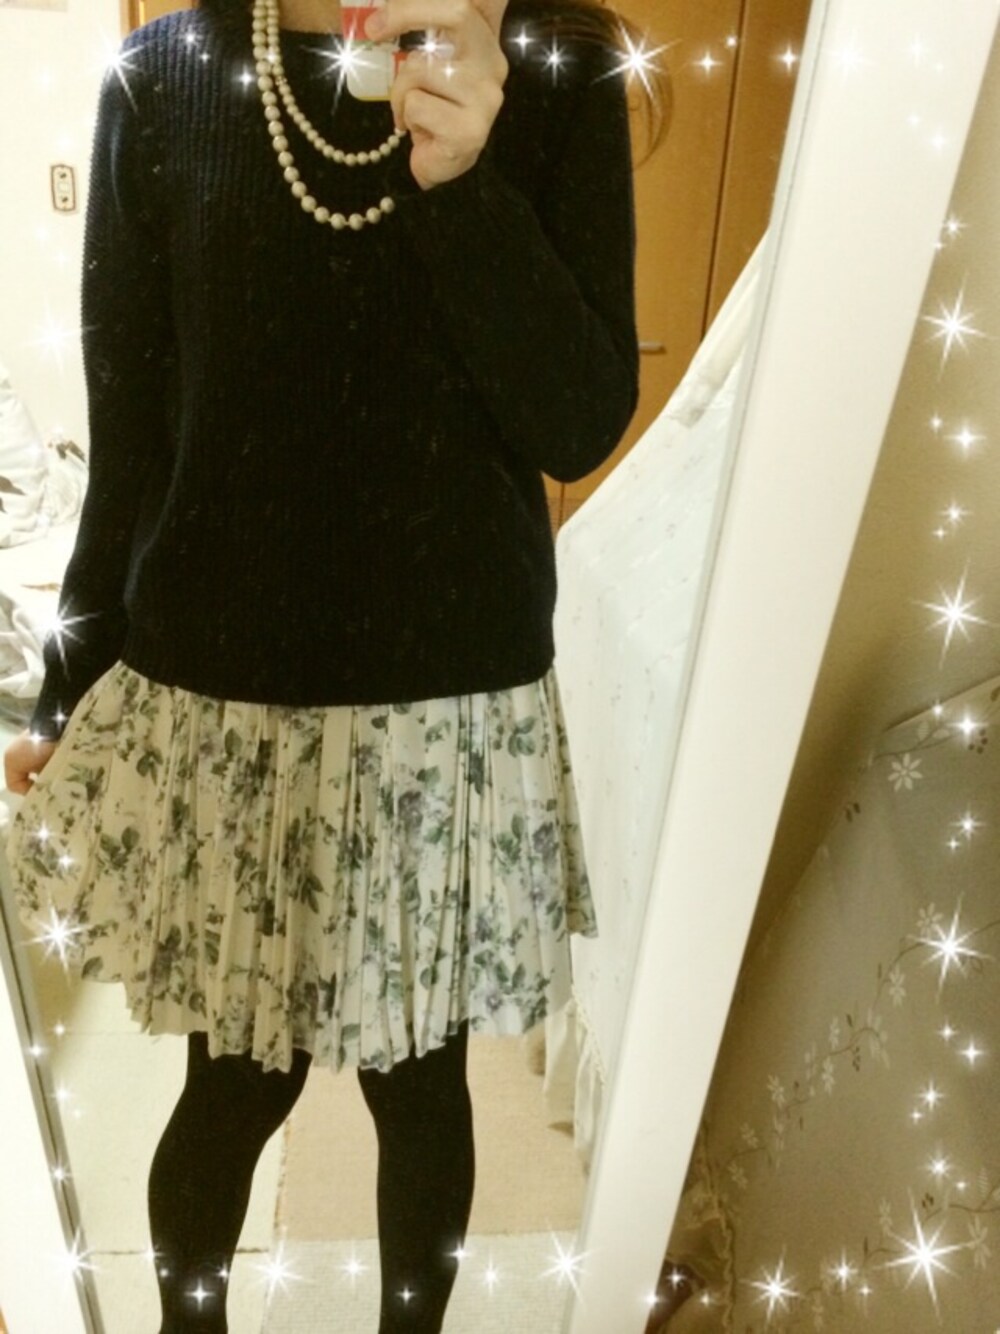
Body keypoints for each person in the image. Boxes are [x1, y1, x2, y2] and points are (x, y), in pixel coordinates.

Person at [4, 0, 664, 1328]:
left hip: (447, 706)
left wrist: (466, 185)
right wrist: (69, 687)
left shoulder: (555, 68)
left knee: (419, 1093)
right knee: (232, 1089)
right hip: (223, 702)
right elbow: (130, 439)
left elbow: (579, 418)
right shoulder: (165, 78)